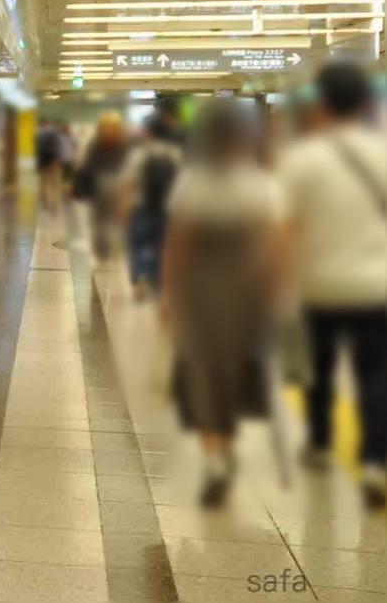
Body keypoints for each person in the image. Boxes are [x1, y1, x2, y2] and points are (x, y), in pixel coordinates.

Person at [160, 100, 287, 508]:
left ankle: (215, 454)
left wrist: (169, 295)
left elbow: (177, 245)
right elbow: (275, 246)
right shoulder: (263, 184)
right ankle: (226, 441)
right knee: (237, 369)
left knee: (201, 367)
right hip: (248, 291)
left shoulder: (192, 183)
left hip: (199, 290)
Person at [277, 59, 387, 510]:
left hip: (317, 286)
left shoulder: (302, 159)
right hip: (377, 288)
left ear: (321, 103)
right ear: (365, 103)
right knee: (376, 375)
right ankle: (376, 462)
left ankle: (320, 444)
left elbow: (285, 230)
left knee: (318, 368)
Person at [120, 113, 183, 299]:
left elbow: (129, 184)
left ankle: (140, 279)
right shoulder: (174, 154)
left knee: (137, 245)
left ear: (148, 133)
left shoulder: (139, 155)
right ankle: (157, 281)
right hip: (166, 208)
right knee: (161, 245)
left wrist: (122, 209)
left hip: (142, 207)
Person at [74, 112, 129, 259]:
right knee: (103, 221)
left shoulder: (115, 145)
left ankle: (106, 250)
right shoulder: (103, 144)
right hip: (106, 186)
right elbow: (88, 166)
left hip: (111, 186)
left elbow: (87, 165)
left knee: (106, 221)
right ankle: (106, 249)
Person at [36, 120, 64, 214]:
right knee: (55, 184)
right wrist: (59, 159)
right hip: (54, 161)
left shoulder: (39, 134)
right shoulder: (55, 133)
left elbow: (37, 148)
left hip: (43, 162)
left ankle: (46, 204)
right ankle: (55, 205)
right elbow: (58, 147)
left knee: (43, 184)